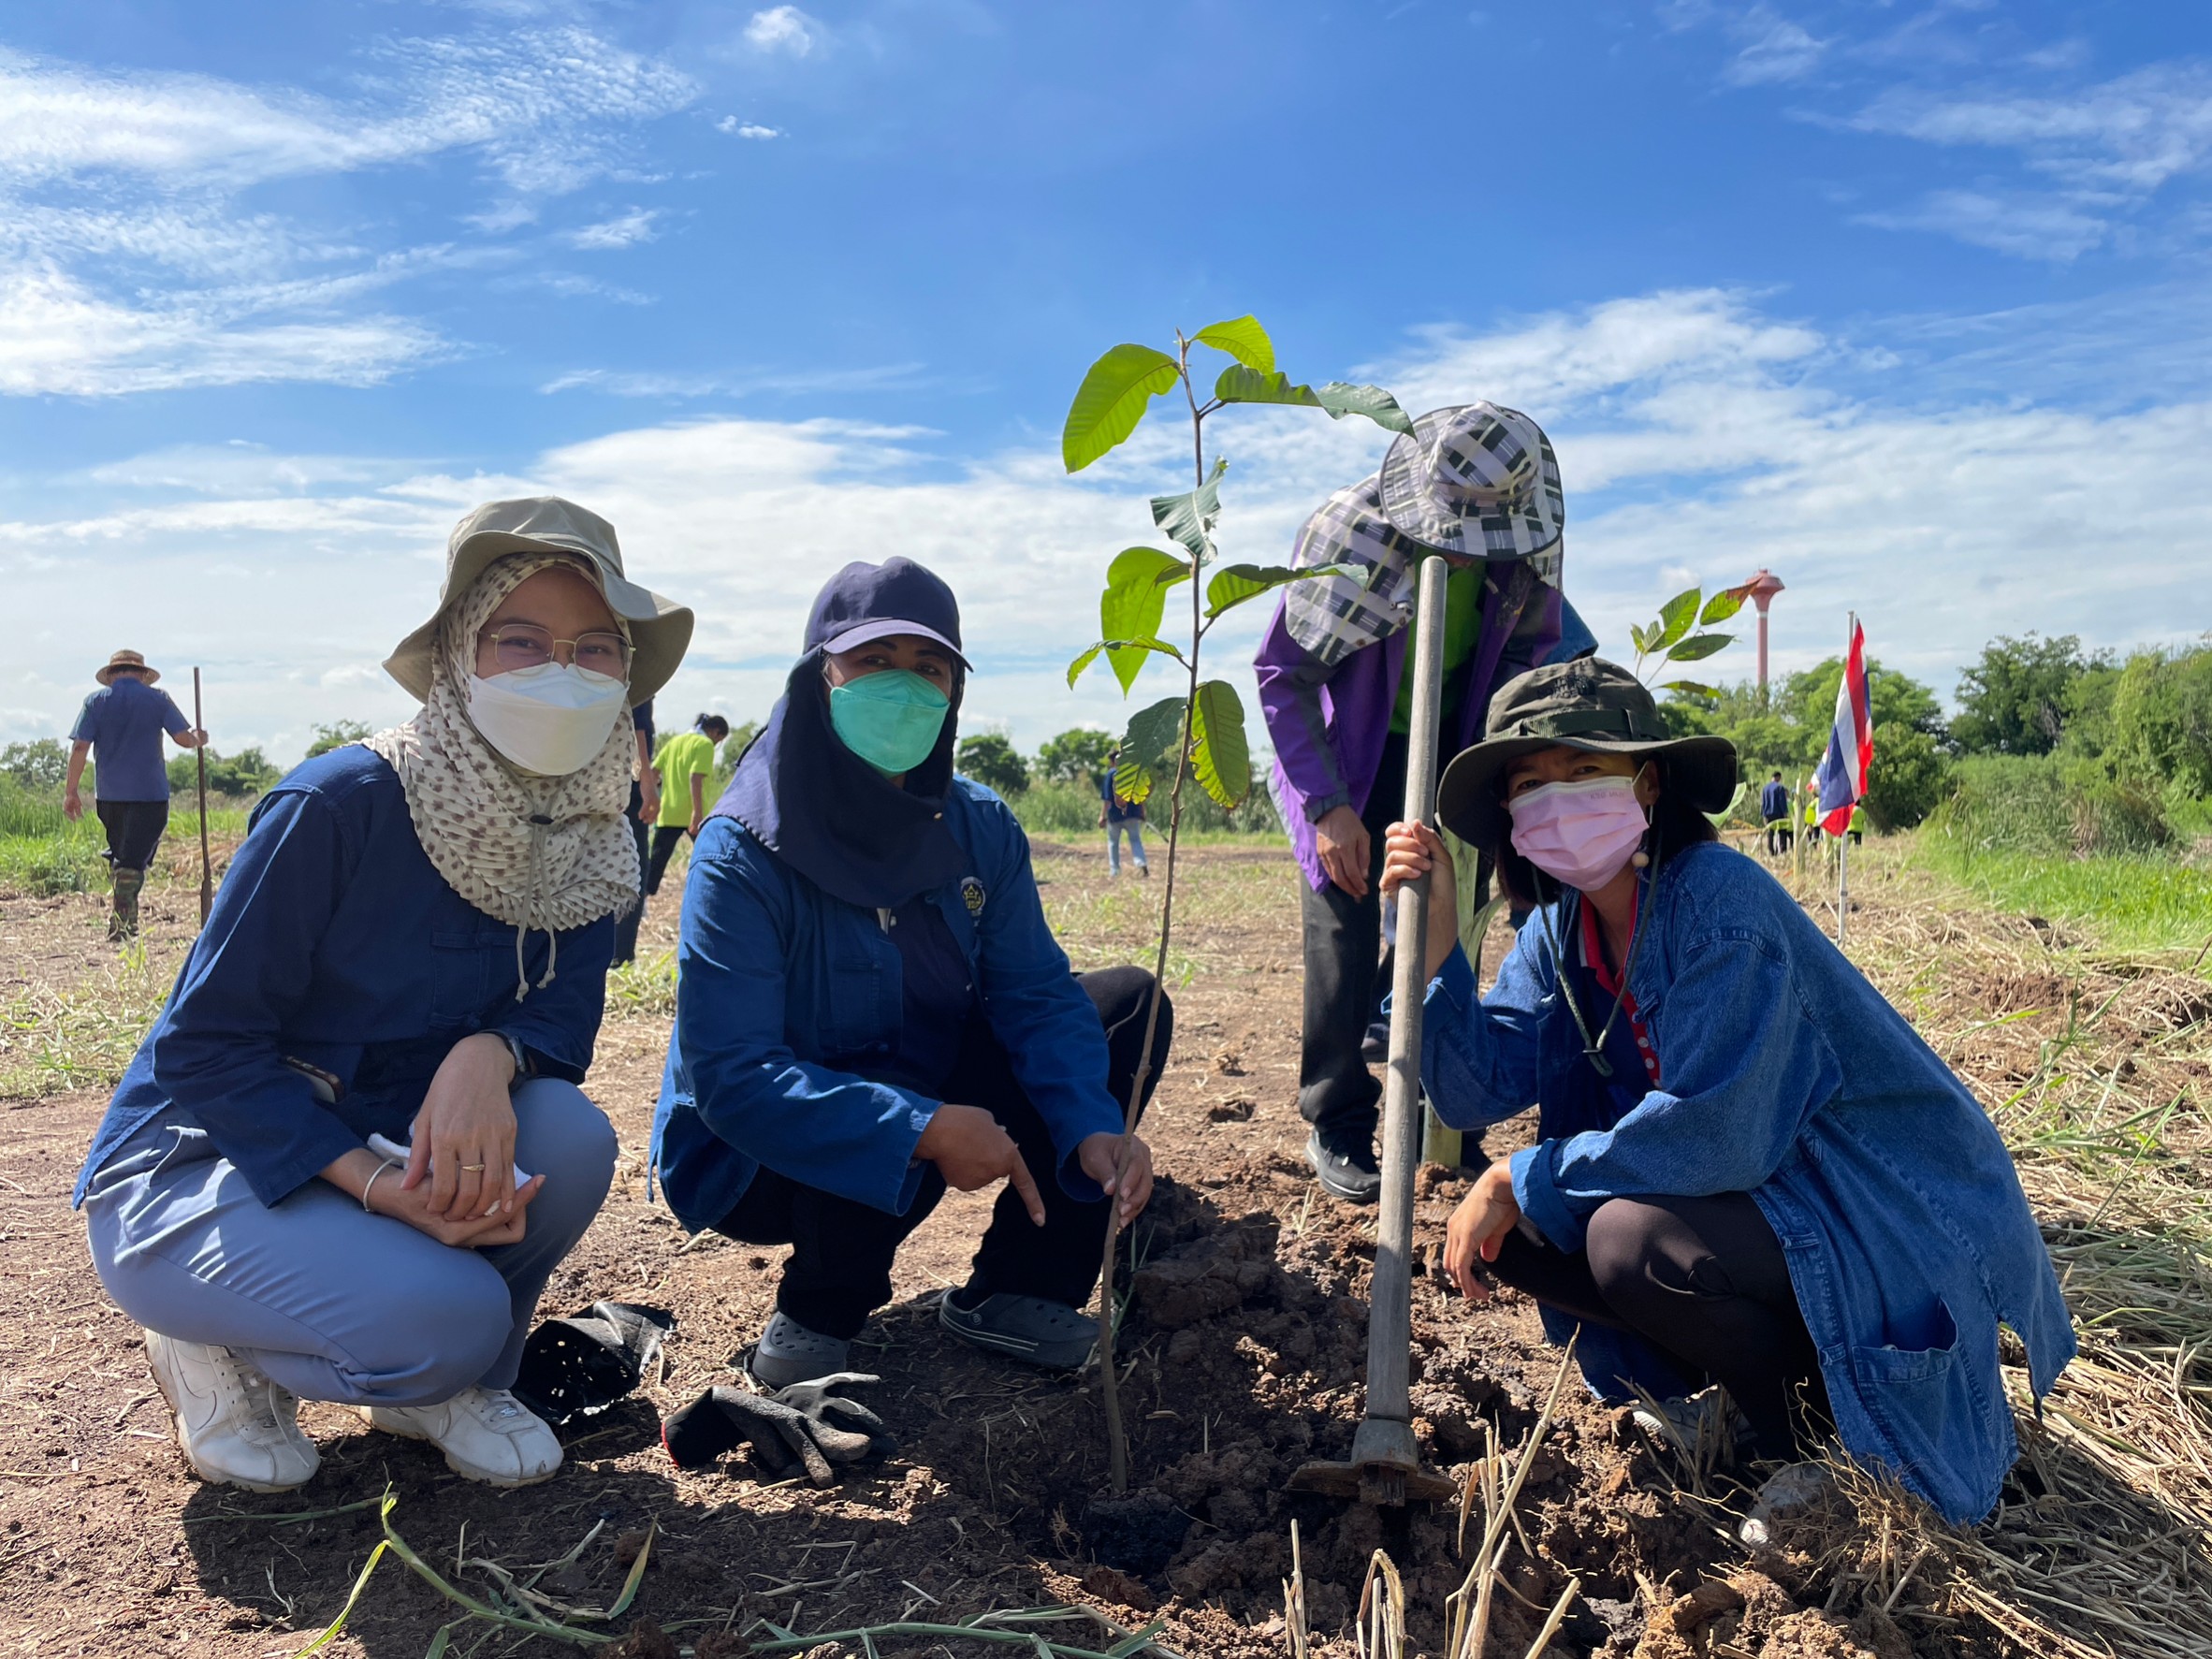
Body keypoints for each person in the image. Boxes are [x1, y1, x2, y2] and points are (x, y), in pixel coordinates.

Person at [74, 497, 692, 1494]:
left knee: (568, 1135)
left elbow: (561, 1013)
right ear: (457, 654)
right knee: (448, 1313)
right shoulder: (341, 804)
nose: (559, 672)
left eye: (593, 649)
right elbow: (205, 1052)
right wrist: (370, 1181)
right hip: (209, 1163)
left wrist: (488, 1055)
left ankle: (438, 1388)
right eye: (519, 640)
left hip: (398, 1136)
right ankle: (209, 1343)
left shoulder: (587, 830)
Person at [1379, 659, 2074, 1526]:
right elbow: (1471, 1083)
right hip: (1756, 1203)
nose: (1556, 799)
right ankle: (1728, 1400)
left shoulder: (1718, 901)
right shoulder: (1559, 932)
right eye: (1530, 783)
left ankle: (1820, 1439)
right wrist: (1437, 938)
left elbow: (1721, 1135)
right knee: (1514, 1240)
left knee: (1623, 1237)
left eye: (1583, 770)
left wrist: (1527, 1172)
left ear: (1648, 780)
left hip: (1863, 1207)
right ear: (1511, 821)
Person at [652, 557, 1170, 1387]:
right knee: (878, 1073)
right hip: (751, 1152)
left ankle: (1018, 1288)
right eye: (873, 662)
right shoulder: (743, 849)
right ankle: (816, 1315)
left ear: (954, 693)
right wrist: (921, 1129)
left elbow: (1034, 994)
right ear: (822, 676)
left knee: (1124, 1009)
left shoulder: (980, 827)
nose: (904, 687)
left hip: (919, 1067)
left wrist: (1089, 1124)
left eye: (929, 668)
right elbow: (736, 1077)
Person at [1253, 404, 1593, 1202]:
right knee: (1341, 934)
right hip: (1344, 759)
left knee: (1446, 926)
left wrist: (1509, 796)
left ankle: (1447, 1120)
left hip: (1450, 751)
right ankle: (1336, 1118)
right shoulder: (1355, 542)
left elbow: (1539, 653)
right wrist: (1328, 805)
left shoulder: (1524, 551)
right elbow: (1281, 675)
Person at [64, 649, 210, 939]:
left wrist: (71, 792)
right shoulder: (158, 699)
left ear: (112, 675)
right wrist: (199, 739)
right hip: (150, 795)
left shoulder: (95, 702)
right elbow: (183, 738)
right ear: (142, 675)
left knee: (123, 856)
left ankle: (126, 922)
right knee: (130, 861)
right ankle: (121, 924)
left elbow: (80, 748)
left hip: (109, 797)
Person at [645, 714, 730, 896]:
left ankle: (641, 903)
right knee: (711, 857)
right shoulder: (705, 744)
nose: (717, 744)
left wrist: (654, 797)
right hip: (694, 814)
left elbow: (653, 772)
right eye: (719, 740)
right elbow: (696, 777)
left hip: (668, 812)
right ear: (715, 732)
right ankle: (714, 894)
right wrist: (697, 813)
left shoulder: (675, 742)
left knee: (656, 863)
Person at [612, 700, 661, 967]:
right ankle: (621, 954)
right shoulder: (637, 675)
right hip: (627, 786)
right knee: (635, 867)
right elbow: (638, 726)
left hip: (603, 782)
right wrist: (646, 782)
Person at [1098, 747, 1148, 877]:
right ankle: (1140, 862)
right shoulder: (1131, 772)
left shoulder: (1111, 774)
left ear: (1112, 761)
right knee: (1135, 840)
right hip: (1132, 814)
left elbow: (1108, 798)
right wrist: (1142, 812)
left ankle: (1114, 870)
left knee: (1113, 842)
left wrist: (1102, 816)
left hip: (1115, 816)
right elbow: (1140, 795)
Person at [1760, 771, 1792, 856]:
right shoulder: (1780, 787)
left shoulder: (1765, 788)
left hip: (1768, 814)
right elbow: (1782, 801)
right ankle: (1782, 850)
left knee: (1770, 833)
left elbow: (1762, 803)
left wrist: (1763, 814)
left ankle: (1771, 851)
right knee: (1782, 832)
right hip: (1778, 813)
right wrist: (1785, 812)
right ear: (1778, 777)